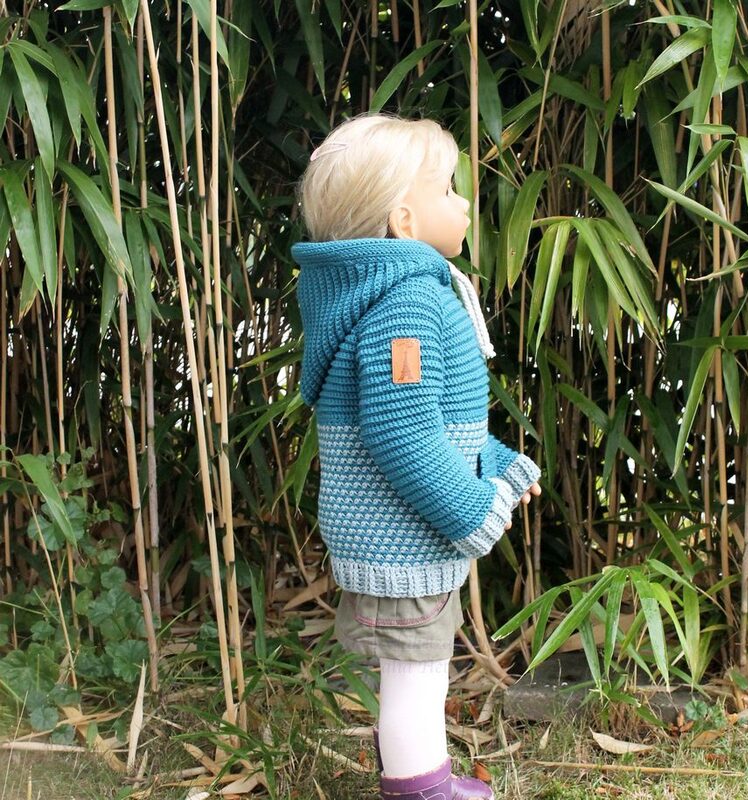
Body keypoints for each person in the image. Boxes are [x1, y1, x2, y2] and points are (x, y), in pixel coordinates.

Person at [292, 113, 541, 800]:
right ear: (403, 220)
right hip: (402, 539)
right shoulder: (404, 306)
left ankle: (416, 774)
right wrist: (471, 511)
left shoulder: (404, 294)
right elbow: (402, 433)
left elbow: (440, 424)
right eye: (449, 189)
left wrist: (495, 464)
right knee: (416, 673)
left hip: (403, 535)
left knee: (416, 667)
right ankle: (420, 791)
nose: (465, 204)